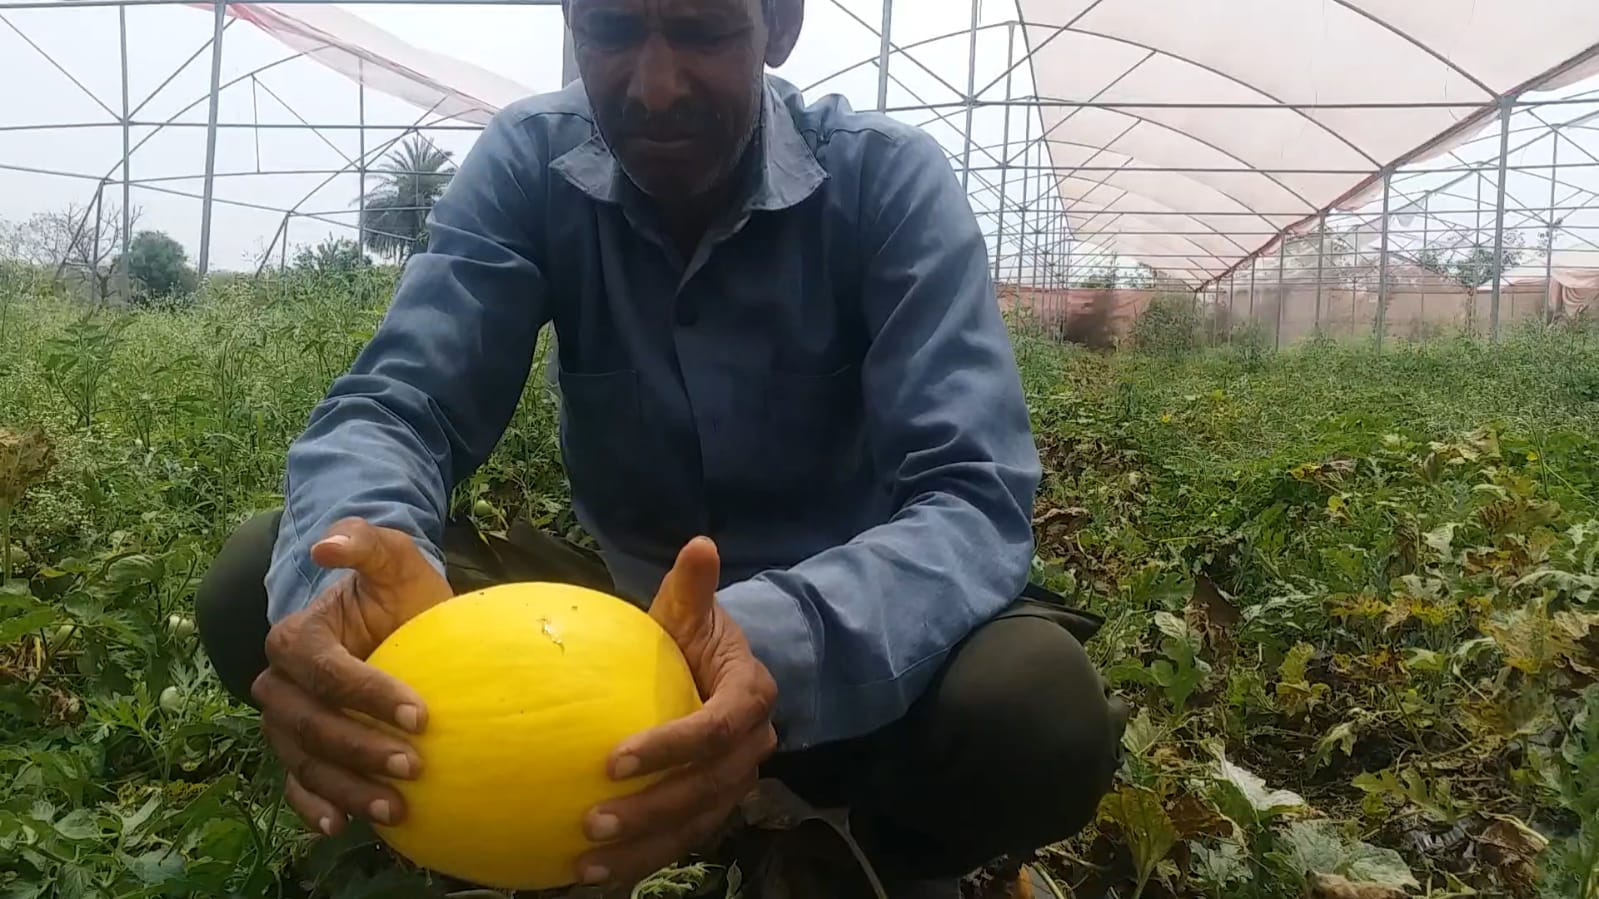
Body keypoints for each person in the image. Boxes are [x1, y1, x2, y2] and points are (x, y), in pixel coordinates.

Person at [193, 0, 1126, 896]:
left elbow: (971, 495)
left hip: (856, 652)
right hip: (612, 651)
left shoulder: (887, 183)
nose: (652, 86)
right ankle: (515, 829)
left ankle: (876, 845)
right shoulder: (529, 164)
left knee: (1031, 710)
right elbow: (397, 406)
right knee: (264, 580)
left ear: (780, 24)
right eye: (608, 29)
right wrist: (353, 597)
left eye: (701, 30)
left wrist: (762, 639)